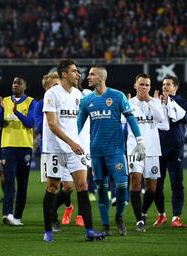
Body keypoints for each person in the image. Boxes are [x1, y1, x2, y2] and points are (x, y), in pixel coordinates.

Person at [77, 66, 146, 236]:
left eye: (92, 74)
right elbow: (77, 126)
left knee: (122, 185)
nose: (88, 77)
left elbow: (130, 118)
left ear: (101, 77)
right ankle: (106, 225)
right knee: (101, 188)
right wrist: (70, 144)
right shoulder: (86, 101)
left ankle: (119, 216)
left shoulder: (117, 96)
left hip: (115, 151)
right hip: (96, 151)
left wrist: (139, 140)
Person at [42, 60, 105, 242]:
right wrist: (71, 142)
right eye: (74, 71)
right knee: (53, 187)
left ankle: (90, 231)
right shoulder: (51, 94)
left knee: (82, 186)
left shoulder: (78, 94)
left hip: (75, 149)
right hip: (54, 149)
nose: (78, 74)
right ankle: (48, 231)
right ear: (64, 74)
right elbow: (52, 124)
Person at [124, 74, 167, 232]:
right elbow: (122, 122)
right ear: (135, 85)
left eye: (147, 85)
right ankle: (139, 220)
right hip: (135, 149)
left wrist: (150, 99)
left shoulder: (155, 102)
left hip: (153, 150)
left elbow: (161, 119)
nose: (144, 87)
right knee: (135, 182)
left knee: (152, 188)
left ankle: (143, 212)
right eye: (141, 84)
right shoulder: (128, 104)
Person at [0, 75, 36, 226]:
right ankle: (7, 214)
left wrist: (16, 112)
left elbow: (30, 123)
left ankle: (18, 216)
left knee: (23, 184)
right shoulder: (4, 101)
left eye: (18, 83)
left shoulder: (31, 102)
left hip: (25, 146)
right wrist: (1, 109)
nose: (15, 85)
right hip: (8, 147)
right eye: (13, 83)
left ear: (24, 86)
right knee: (9, 182)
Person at [153, 75, 187, 228]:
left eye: (168, 84)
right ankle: (161, 214)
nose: (164, 87)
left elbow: (185, 119)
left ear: (175, 87)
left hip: (175, 149)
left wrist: (168, 103)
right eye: (163, 84)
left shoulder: (182, 102)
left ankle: (176, 216)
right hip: (156, 149)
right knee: (156, 185)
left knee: (176, 184)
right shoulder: (156, 102)